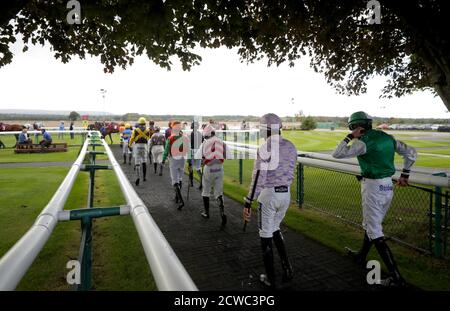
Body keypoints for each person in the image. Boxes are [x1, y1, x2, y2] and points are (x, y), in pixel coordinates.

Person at [332, 111, 417, 287]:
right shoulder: (388, 138)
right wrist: (405, 175)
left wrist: (349, 137)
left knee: (374, 230)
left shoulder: (362, 143)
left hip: (373, 188)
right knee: (372, 224)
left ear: (356, 126)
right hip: (387, 187)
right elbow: (411, 153)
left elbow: (337, 153)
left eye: (352, 127)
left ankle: (396, 277)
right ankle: (361, 256)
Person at [243, 113, 297, 289]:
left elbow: (259, 176)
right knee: (275, 229)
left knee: (265, 236)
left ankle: (271, 279)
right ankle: (288, 269)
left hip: (269, 195)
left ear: (266, 129)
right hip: (286, 194)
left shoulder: (265, 146)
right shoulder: (291, 145)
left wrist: (248, 201)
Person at [195, 124, 230, 226]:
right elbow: (227, 155)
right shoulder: (221, 142)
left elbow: (198, 156)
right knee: (218, 192)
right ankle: (222, 213)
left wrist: (203, 159)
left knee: (206, 191)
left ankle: (206, 212)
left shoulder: (205, 143)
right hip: (219, 168)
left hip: (209, 168)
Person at [162, 121, 189, 210]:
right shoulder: (185, 137)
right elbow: (188, 150)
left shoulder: (170, 138)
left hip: (174, 159)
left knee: (175, 180)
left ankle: (180, 200)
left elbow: (166, 150)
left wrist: (163, 160)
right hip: (182, 159)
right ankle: (177, 197)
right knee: (180, 178)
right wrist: (190, 162)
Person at [128, 117, 150, 186]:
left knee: (137, 162)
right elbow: (149, 139)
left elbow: (132, 138)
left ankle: (138, 177)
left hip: (137, 146)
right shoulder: (148, 130)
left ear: (139, 123)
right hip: (145, 146)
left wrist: (130, 145)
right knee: (144, 162)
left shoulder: (135, 130)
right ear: (144, 123)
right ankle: (144, 177)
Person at [188, 120, 204, 189]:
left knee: (190, 167)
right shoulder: (200, 134)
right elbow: (203, 144)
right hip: (199, 152)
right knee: (198, 169)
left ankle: (191, 183)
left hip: (192, 151)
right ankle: (201, 183)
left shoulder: (190, 135)